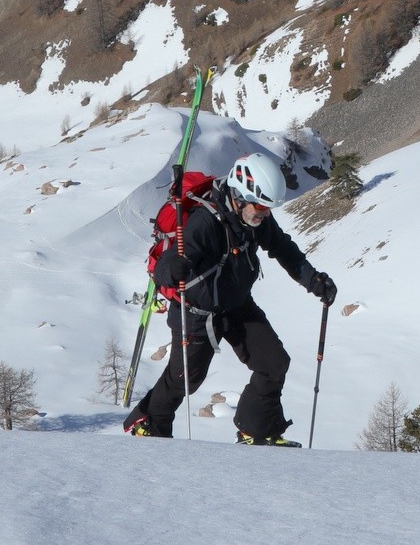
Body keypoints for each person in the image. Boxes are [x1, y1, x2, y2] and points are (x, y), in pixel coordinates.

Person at [123, 152, 337, 446]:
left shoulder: (255, 219)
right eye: (260, 206)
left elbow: (282, 248)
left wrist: (313, 280)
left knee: (274, 363)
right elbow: (164, 270)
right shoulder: (205, 223)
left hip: (236, 305)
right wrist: (172, 269)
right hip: (198, 313)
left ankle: (257, 431)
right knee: (184, 380)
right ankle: (149, 423)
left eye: (268, 208)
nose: (264, 214)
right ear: (239, 195)